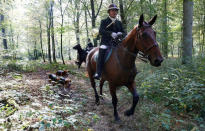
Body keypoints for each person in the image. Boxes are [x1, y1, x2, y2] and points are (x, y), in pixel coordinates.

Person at [93, 3, 126, 80]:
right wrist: (111, 33)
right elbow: (101, 31)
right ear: (109, 12)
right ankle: (98, 72)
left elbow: (124, 33)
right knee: (102, 51)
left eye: (115, 11)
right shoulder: (104, 21)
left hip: (117, 43)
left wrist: (121, 33)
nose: (114, 12)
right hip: (106, 42)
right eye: (112, 10)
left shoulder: (119, 22)